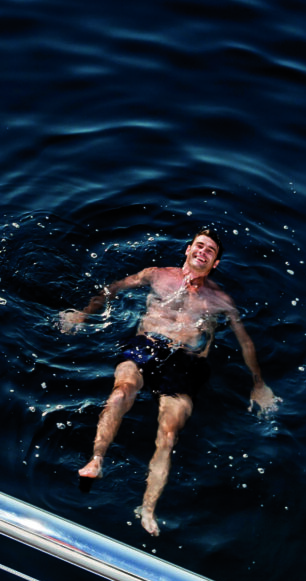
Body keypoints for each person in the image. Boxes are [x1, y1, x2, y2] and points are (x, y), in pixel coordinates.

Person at [60, 228, 275, 535]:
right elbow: (114, 288)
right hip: (147, 344)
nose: (203, 251)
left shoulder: (220, 300)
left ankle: (147, 508)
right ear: (188, 249)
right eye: (199, 245)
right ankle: (96, 460)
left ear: (215, 264)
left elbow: (246, 342)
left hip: (187, 361)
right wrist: (82, 314)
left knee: (169, 432)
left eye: (210, 251)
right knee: (121, 393)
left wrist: (258, 383)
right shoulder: (157, 275)